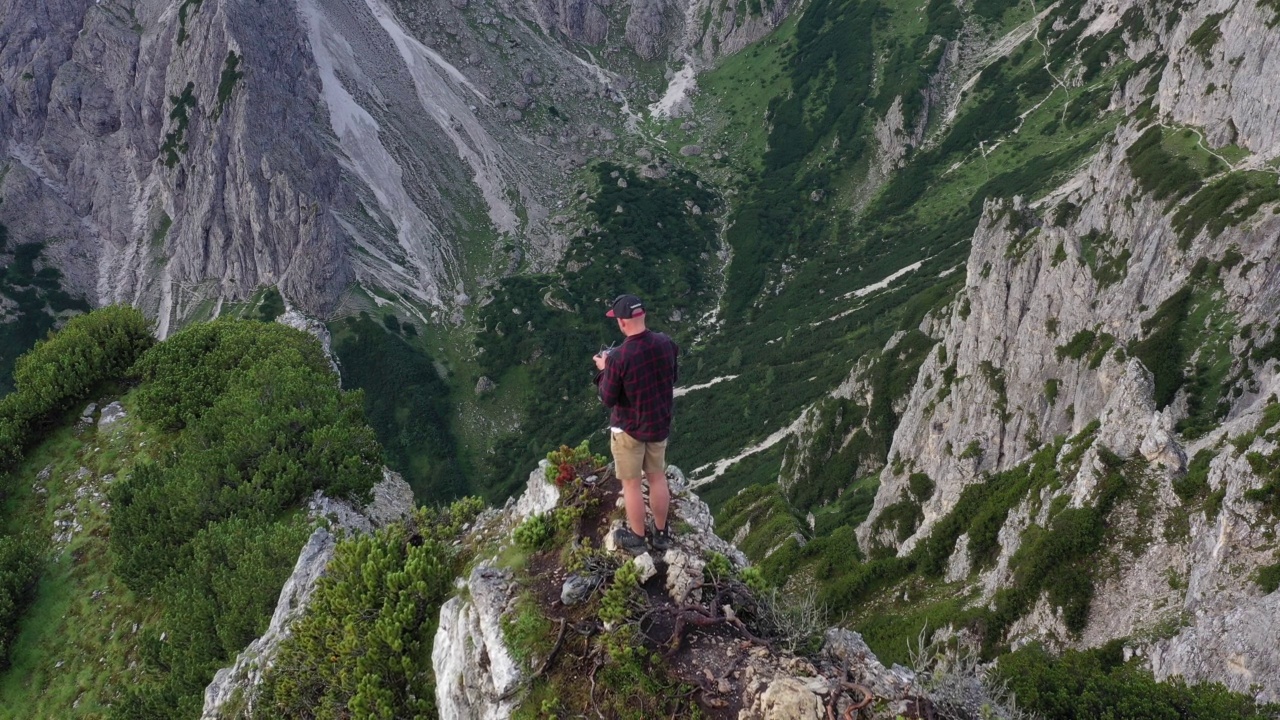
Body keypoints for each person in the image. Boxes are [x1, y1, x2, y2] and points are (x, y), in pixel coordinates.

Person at [593, 294, 680, 555]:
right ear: (642, 315)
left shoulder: (619, 358)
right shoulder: (666, 343)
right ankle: (661, 534)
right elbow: (672, 377)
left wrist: (603, 369)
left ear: (621, 322)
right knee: (657, 478)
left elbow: (608, 398)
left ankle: (638, 537)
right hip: (658, 422)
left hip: (629, 429)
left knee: (631, 484)